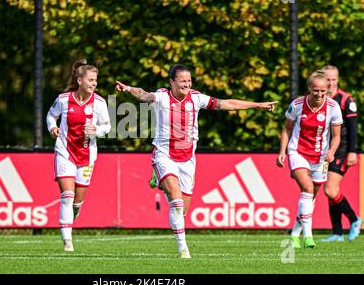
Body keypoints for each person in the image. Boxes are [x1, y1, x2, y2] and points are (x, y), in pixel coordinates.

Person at [115, 64, 277, 259]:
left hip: (187, 160)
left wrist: (257, 104)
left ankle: (159, 180)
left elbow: (226, 104)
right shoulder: (162, 97)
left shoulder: (197, 99)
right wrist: (128, 89)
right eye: (183, 81)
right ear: (172, 82)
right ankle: (183, 249)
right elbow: (145, 95)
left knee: (182, 210)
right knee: (175, 200)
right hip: (164, 155)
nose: (187, 84)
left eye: (189, 81)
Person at [46, 59, 111, 252]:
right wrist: (52, 127)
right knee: (67, 195)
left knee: (76, 202)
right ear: (80, 80)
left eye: (95, 81)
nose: (94, 84)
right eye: (90, 80)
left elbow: (107, 127)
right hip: (64, 152)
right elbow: (51, 115)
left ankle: (73, 212)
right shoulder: (64, 99)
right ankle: (68, 241)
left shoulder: (99, 103)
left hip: (87, 155)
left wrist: (96, 130)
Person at [277, 70, 342, 249]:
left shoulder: (333, 107)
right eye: (316, 91)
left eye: (323, 91)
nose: (320, 94)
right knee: (307, 188)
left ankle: (295, 234)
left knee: (311, 196)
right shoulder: (297, 105)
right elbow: (286, 129)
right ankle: (308, 235)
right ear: (309, 89)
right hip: (297, 152)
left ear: (327, 90)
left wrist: (332, 151)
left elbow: (336, 136)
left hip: (321, 157)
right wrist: (282, 151)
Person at [321, 65, 362, 242]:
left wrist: (352, 152)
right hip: (325, 150)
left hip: (343, 149)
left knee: (329, 189)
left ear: (338, 79)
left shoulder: (346, 99)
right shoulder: (320, 99)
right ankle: (337, 233)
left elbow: (353, 129)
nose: (331, 83)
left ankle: (354, 220)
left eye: (333, 79)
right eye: (327, 79)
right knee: (332, 191)